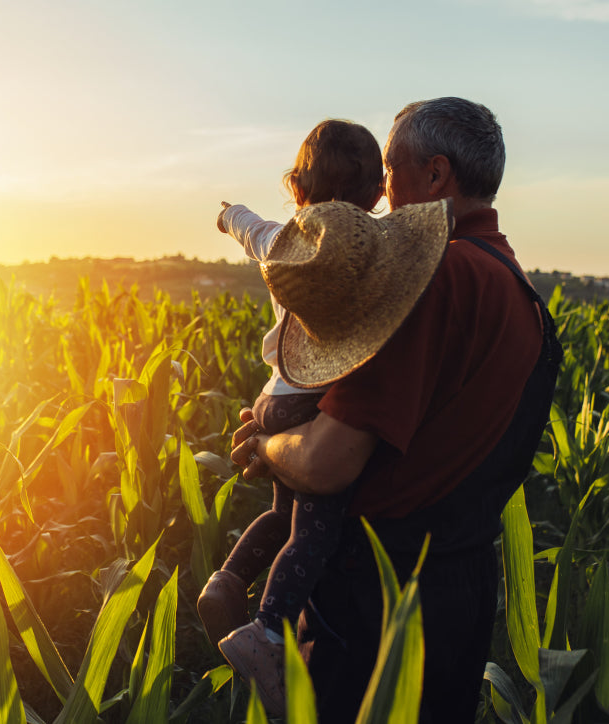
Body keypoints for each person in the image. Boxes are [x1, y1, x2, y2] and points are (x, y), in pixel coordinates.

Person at [229, 97, 563, 723]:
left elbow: (327, 464)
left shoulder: (432, 278)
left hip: (378, 599)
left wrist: (267, 448)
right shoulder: (516, 288)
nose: (380, 190)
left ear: (435, 177)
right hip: (458, 593)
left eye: (389, 168)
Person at [198, 119, 388, 715]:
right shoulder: (367, 256)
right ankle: (267, 630)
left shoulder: (281, 241)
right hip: (314, 399)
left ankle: (225, 582)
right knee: (315, 529)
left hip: (274, 395)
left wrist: (230, 215)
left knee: (281, 517)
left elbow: (249, 228)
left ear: (299, 189)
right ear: (378, 196)